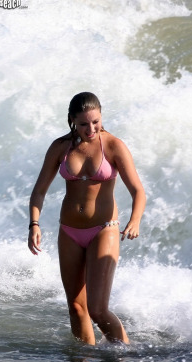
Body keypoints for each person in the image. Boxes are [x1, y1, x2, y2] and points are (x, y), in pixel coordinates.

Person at [28, 92, 146, 345]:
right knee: (76, 307)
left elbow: (138, 190)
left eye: (96, 122)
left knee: (98, 310)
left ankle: (124, 360)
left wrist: (135, 220)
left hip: (103, 229)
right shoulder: (60, 147)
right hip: (69, 231)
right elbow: (39, 190)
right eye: (83, 124)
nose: (91, 128)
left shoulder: (113, 145)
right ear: (72, 120)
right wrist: (34, 224)